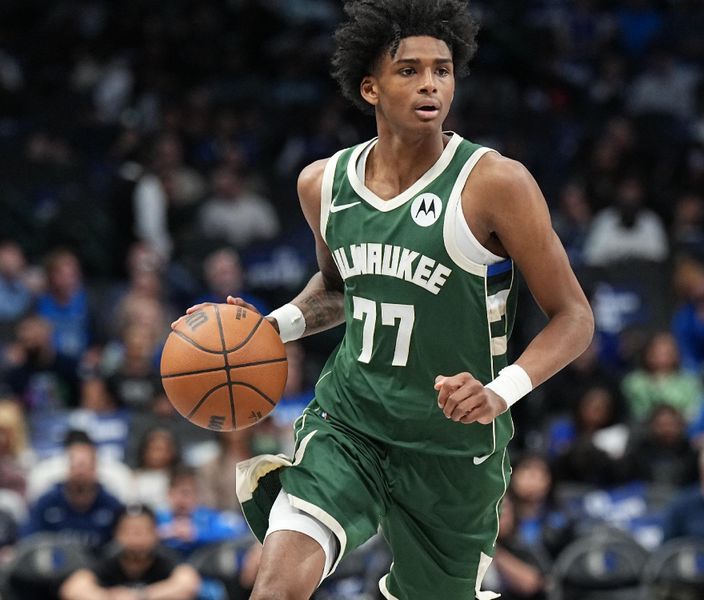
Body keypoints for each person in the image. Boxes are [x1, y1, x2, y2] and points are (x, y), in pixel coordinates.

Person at [177, 1, 594, 598]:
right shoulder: (323, 184)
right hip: (352, 425)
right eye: (410, 70)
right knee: (275, 588)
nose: (430, 83)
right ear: (369, 86)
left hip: (454, 449)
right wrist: (269, 329)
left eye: (443, 70)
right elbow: (341, 289)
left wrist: (500, 393)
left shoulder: (495, 183)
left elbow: (574, 317)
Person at [59, 504, 201, 600]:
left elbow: (189, 583)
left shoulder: (164, 557)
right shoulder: (108, 558)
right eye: (130, 531)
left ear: (155, 533)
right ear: (117, 534)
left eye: (143, 531)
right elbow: (72, 588)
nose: (137, 538)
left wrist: (140, 595)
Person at [23, 430, 125, 551]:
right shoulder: (47, 502)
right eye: (76, 465)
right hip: (55, 566)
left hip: (99, 566)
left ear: (95, 469)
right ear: (68, 467)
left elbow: (120, 544)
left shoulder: (111, 505)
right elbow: (28, 539)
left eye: (85, 465)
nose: (80, 472)